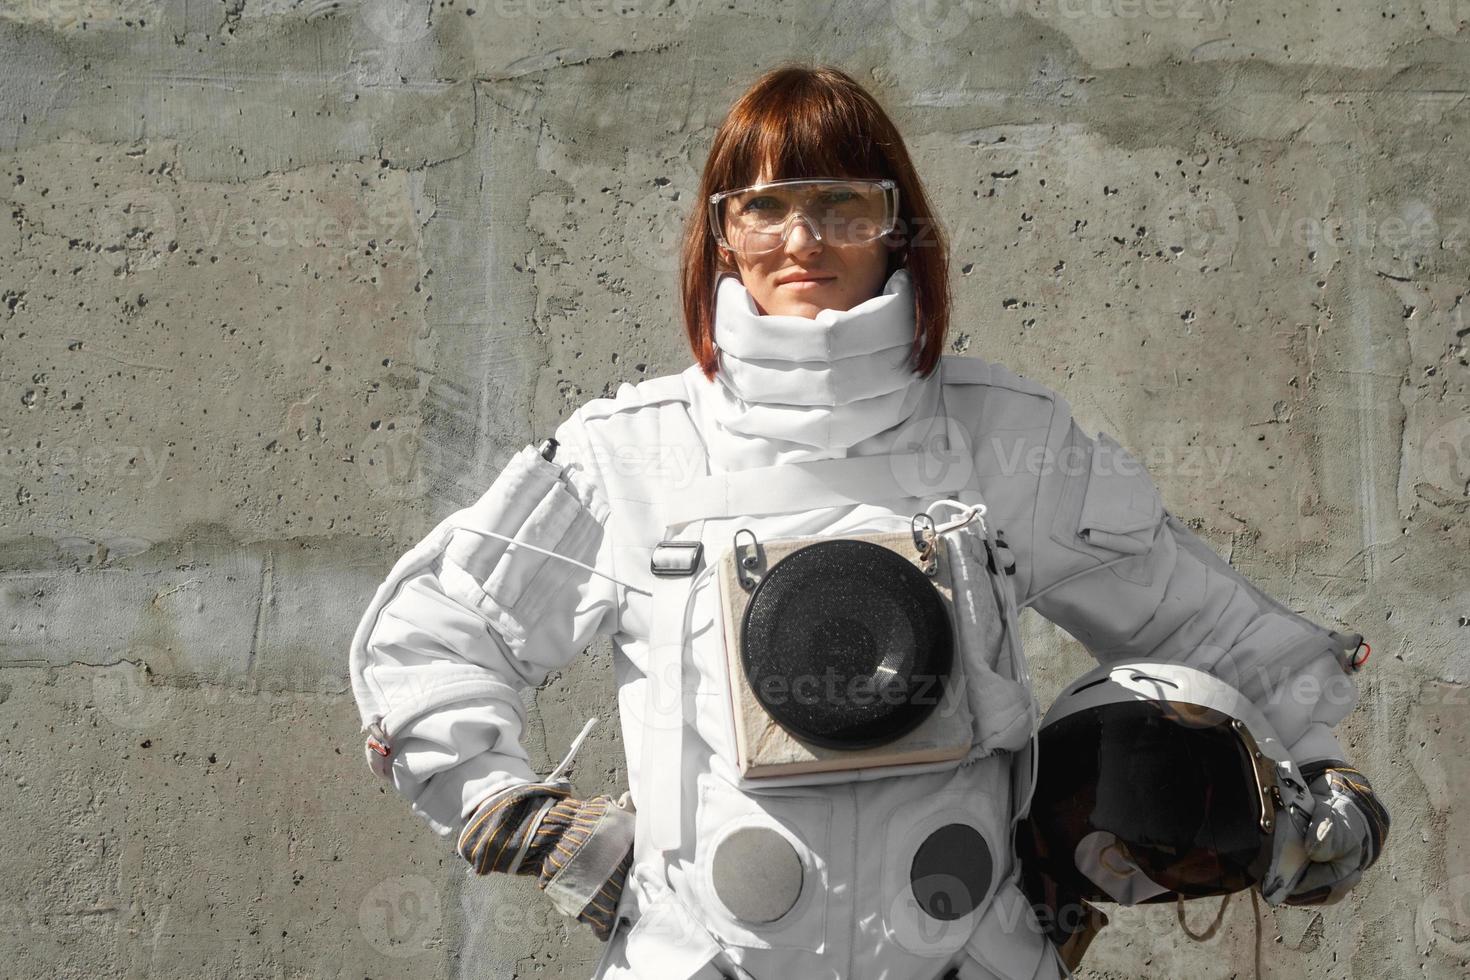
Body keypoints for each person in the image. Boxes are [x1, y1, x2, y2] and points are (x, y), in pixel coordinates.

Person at [347, 64, 1389, 980]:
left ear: (895, 223)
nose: (801, 238)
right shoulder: (633, 453)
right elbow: (433, 634)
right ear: (722, 232)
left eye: (842, 202)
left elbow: (1198, 627)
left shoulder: (1005, 439)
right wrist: (538, 828)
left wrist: (1320, 772)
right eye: (764, 207)